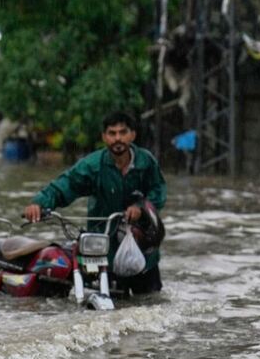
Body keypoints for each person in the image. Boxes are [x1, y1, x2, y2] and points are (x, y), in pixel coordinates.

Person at [23, 110, 167, 294]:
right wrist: (40, 203)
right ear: (104, 137)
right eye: (112, 133)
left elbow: (159, 191)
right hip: (105, 246)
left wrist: (141, 208)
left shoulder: (146, 162)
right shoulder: (93, 165)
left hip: (142, 246)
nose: (118, 139)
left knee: (150, 300)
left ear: (133, 135)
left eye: (123, 133)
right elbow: (65, 184)